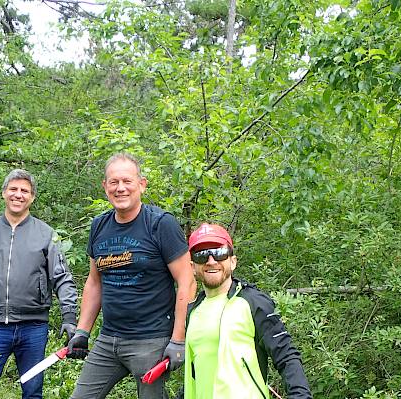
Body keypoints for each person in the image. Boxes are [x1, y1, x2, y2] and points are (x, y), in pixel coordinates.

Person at [67, 153, 196, 399]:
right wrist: (83, 331)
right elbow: (95, 283)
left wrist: (178, 339)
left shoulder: (160, 224)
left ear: (142, 184)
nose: (120, 188)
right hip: (108, 339)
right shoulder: (99, 226)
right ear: (105, 187)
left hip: (152, 341)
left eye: (127, 181)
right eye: (113, 182)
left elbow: (187, 281)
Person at [0, 169, 78, 399]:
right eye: (13, 189)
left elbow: (62, 278)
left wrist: (70, 317)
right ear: (4, 193)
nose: (18, 195)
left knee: (32, 393)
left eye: (24, 191)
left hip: (34, 326)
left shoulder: (46, 234)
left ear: (32, 197)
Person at [184, 223, 312, 399]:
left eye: (219, 253)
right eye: (202, 255)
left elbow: (286, 355)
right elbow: (196, 372)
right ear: (192, 266)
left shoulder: (253, 302)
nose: (211, 261)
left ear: (233, 261)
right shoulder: (193, 311)